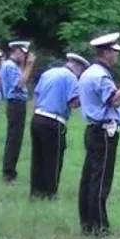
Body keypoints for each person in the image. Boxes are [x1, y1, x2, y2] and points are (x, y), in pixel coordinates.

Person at [77, 32, 120, 237]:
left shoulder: (89, 72)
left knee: (89, 177)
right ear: (106, 53)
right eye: (114, 52)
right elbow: (115, 100)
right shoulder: (101, 76)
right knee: (101, 179)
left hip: (93, 129)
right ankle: (99, 226)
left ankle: (87, 222)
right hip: (104, 132)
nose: (116, 56)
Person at [30, 52, 89, 200]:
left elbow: (36, 96)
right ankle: (50, 192)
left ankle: (35, 191)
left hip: (37, 117)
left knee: (37, 157)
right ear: (77, 67)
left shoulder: (48, 73)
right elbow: (73, 103)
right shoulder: (71, 79)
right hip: (53, 121)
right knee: (53, 159)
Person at [0, 40, 36, 183]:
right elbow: (20, 84)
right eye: (24, 53)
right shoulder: (10, 66)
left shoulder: (12, 66)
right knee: (14, 139)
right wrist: (29, 65)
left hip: (16, 104)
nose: (26, 57)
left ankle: (10, 170)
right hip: (15, 103)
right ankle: (8, 172)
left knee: (15, 138)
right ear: (18, 51)